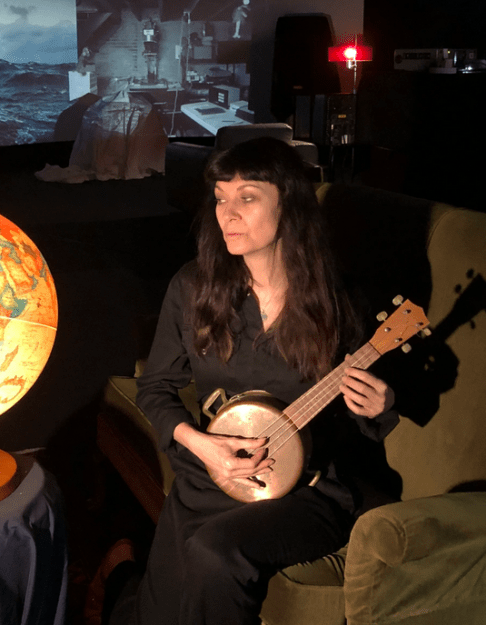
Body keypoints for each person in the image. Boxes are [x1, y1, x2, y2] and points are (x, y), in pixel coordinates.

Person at [111, 137, 399, 625]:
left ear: (289, 204)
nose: (227, 214)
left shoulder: (337, 298)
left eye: (247, 197)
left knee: (215, 553)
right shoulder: (193, 288)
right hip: (212, 476)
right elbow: (155, 387)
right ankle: (119, 577)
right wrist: (202, 446)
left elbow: (360, 420)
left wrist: (380, 405)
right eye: (220, 198)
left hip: (306, 490)